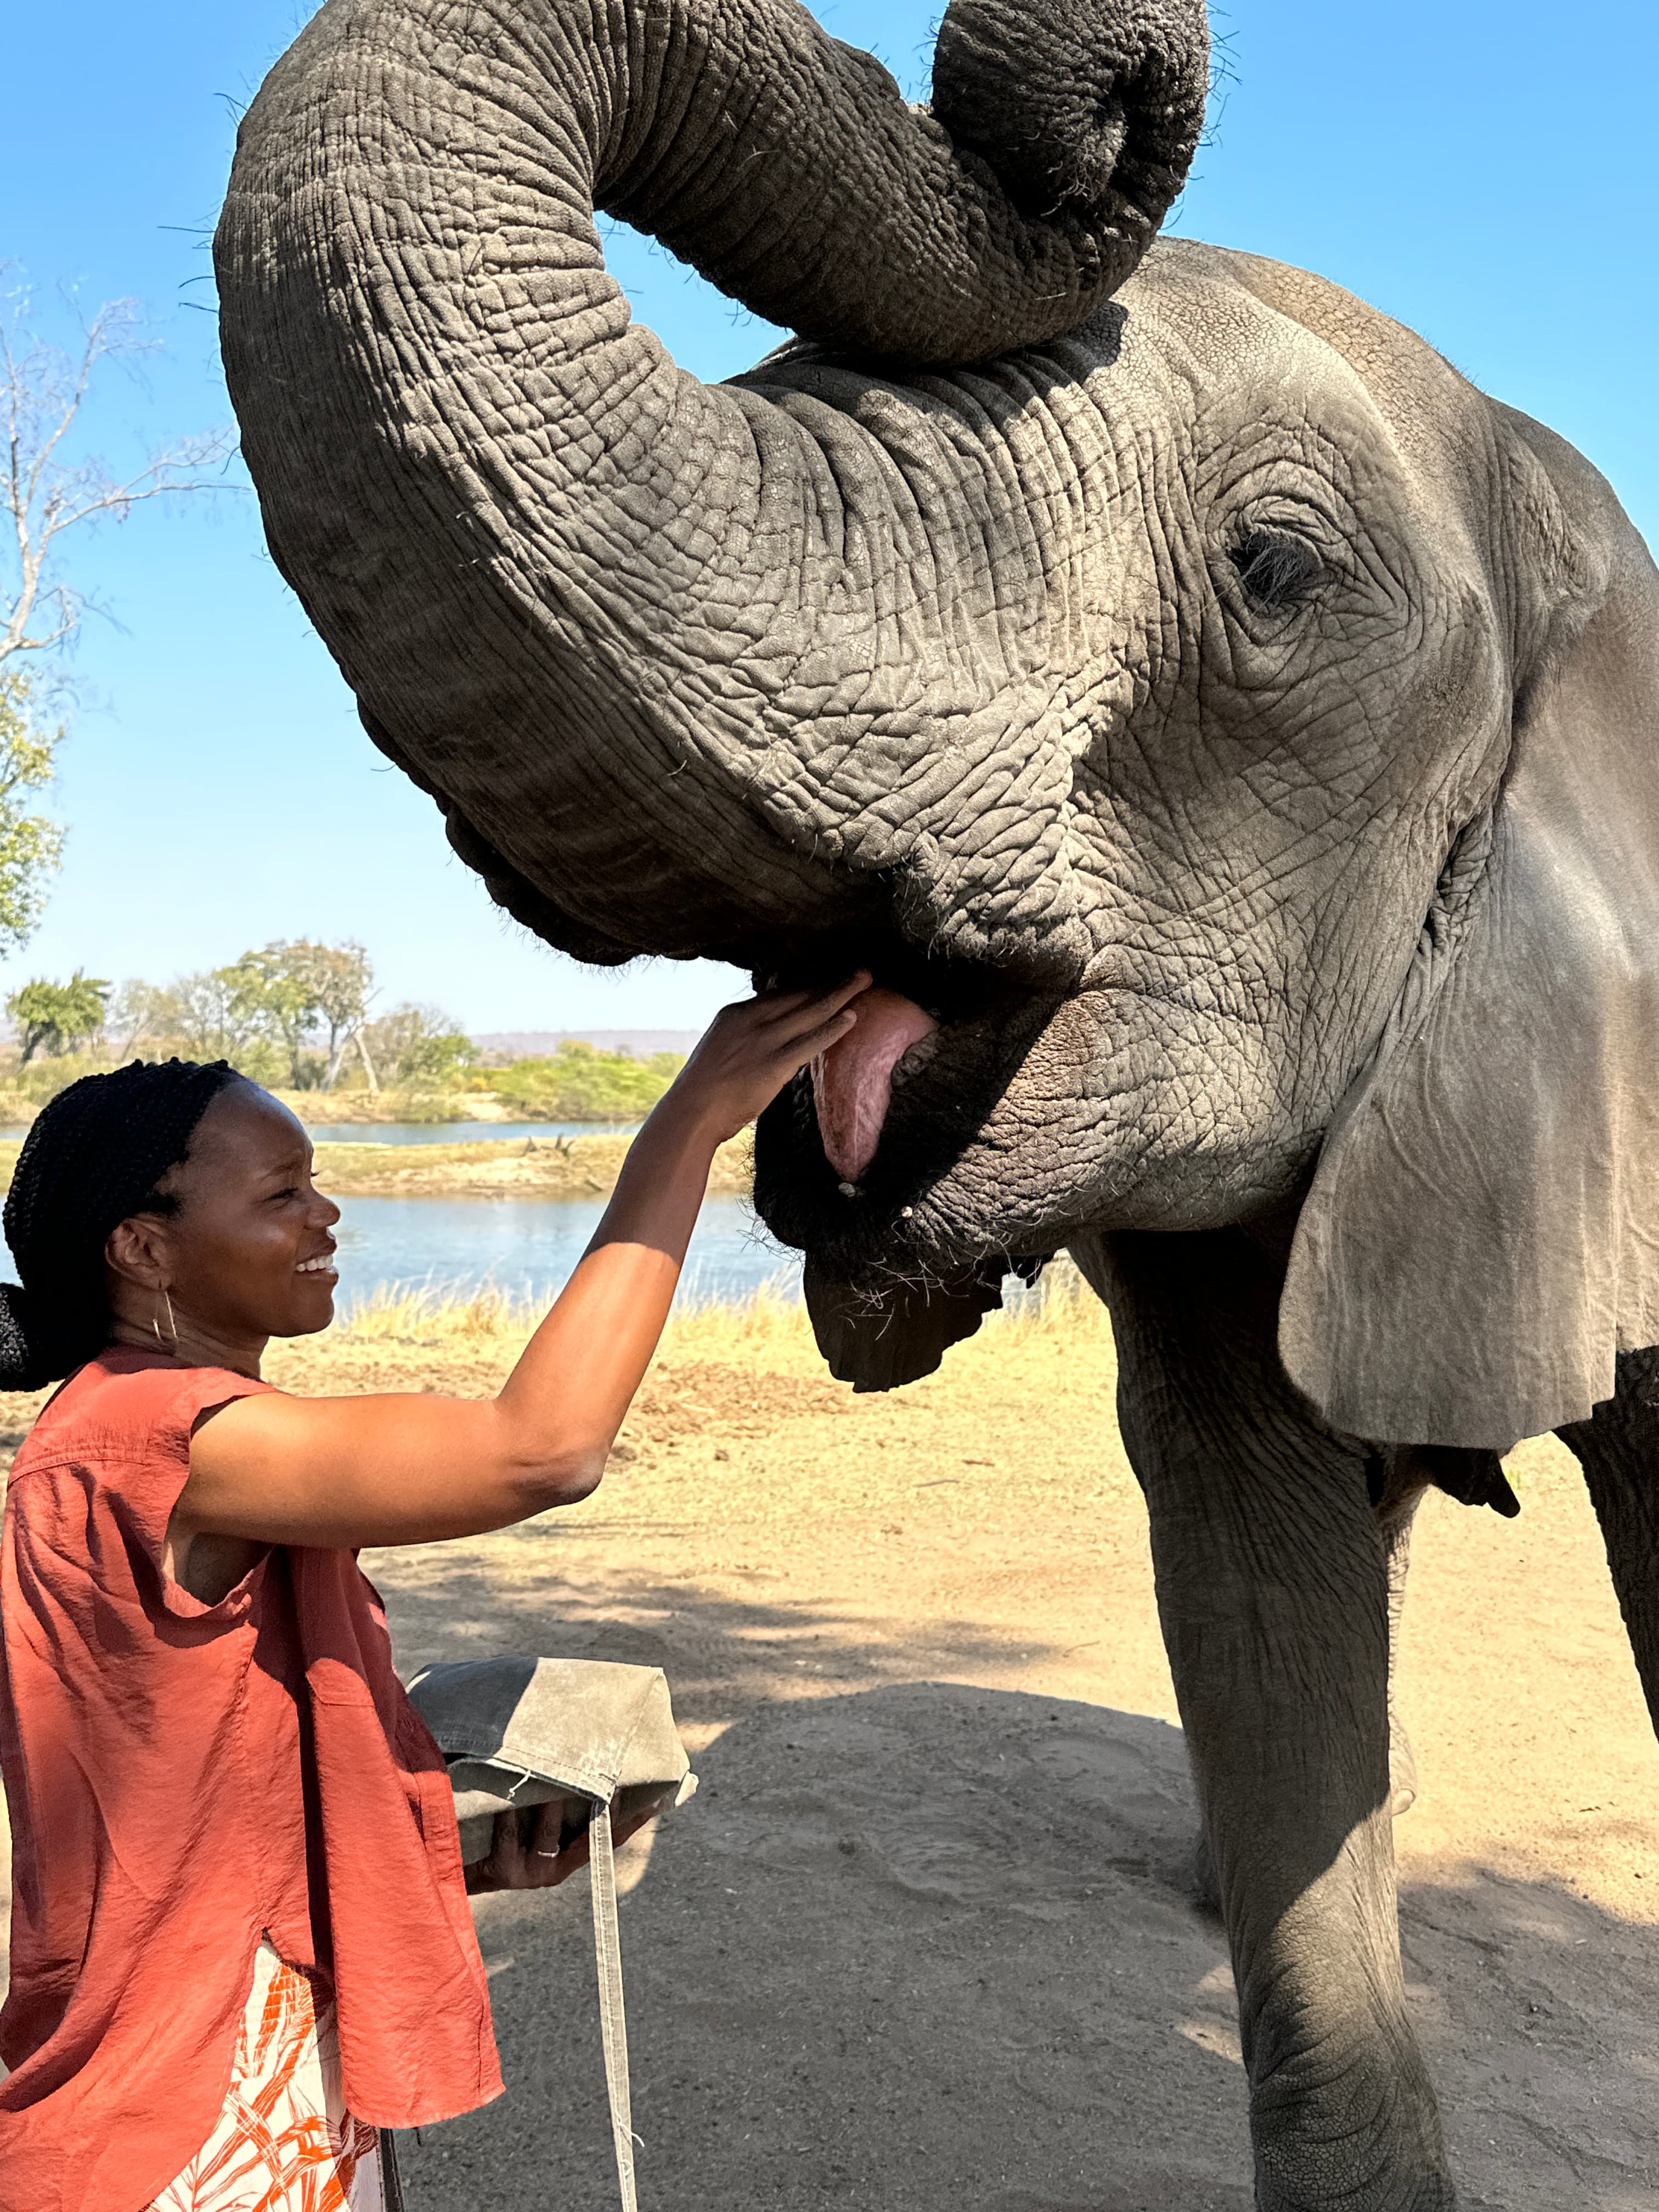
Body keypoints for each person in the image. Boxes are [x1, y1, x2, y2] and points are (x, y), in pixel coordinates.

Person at [0, 977, 865, 2212]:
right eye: (283, 1194)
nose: (327, 1215)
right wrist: (686, 1128)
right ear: (143, 1248)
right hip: (181, 2104)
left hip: (260, 2055)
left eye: (317, 1182)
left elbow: (213, 1787)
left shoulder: (178, 1433)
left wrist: (451, 1849)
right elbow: (540, 1450)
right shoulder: (151, 1435)